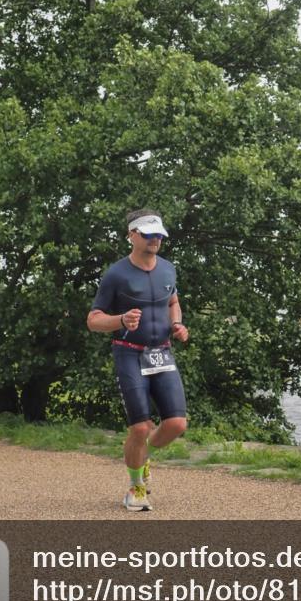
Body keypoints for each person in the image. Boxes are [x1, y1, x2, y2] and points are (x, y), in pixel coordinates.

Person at [87, 209, 189, 511]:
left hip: (162, 352)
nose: (154, 239)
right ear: (132, 235)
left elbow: (173, 301)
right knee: (141, 428)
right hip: (129, 352)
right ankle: (136, 487)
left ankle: (143, 458)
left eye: (158, 234)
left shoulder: (168, 269)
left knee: (176, 424)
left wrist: (177, 324)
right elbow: (93, 320)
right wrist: (120, 319)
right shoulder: (116, 274)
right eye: (147, 234)